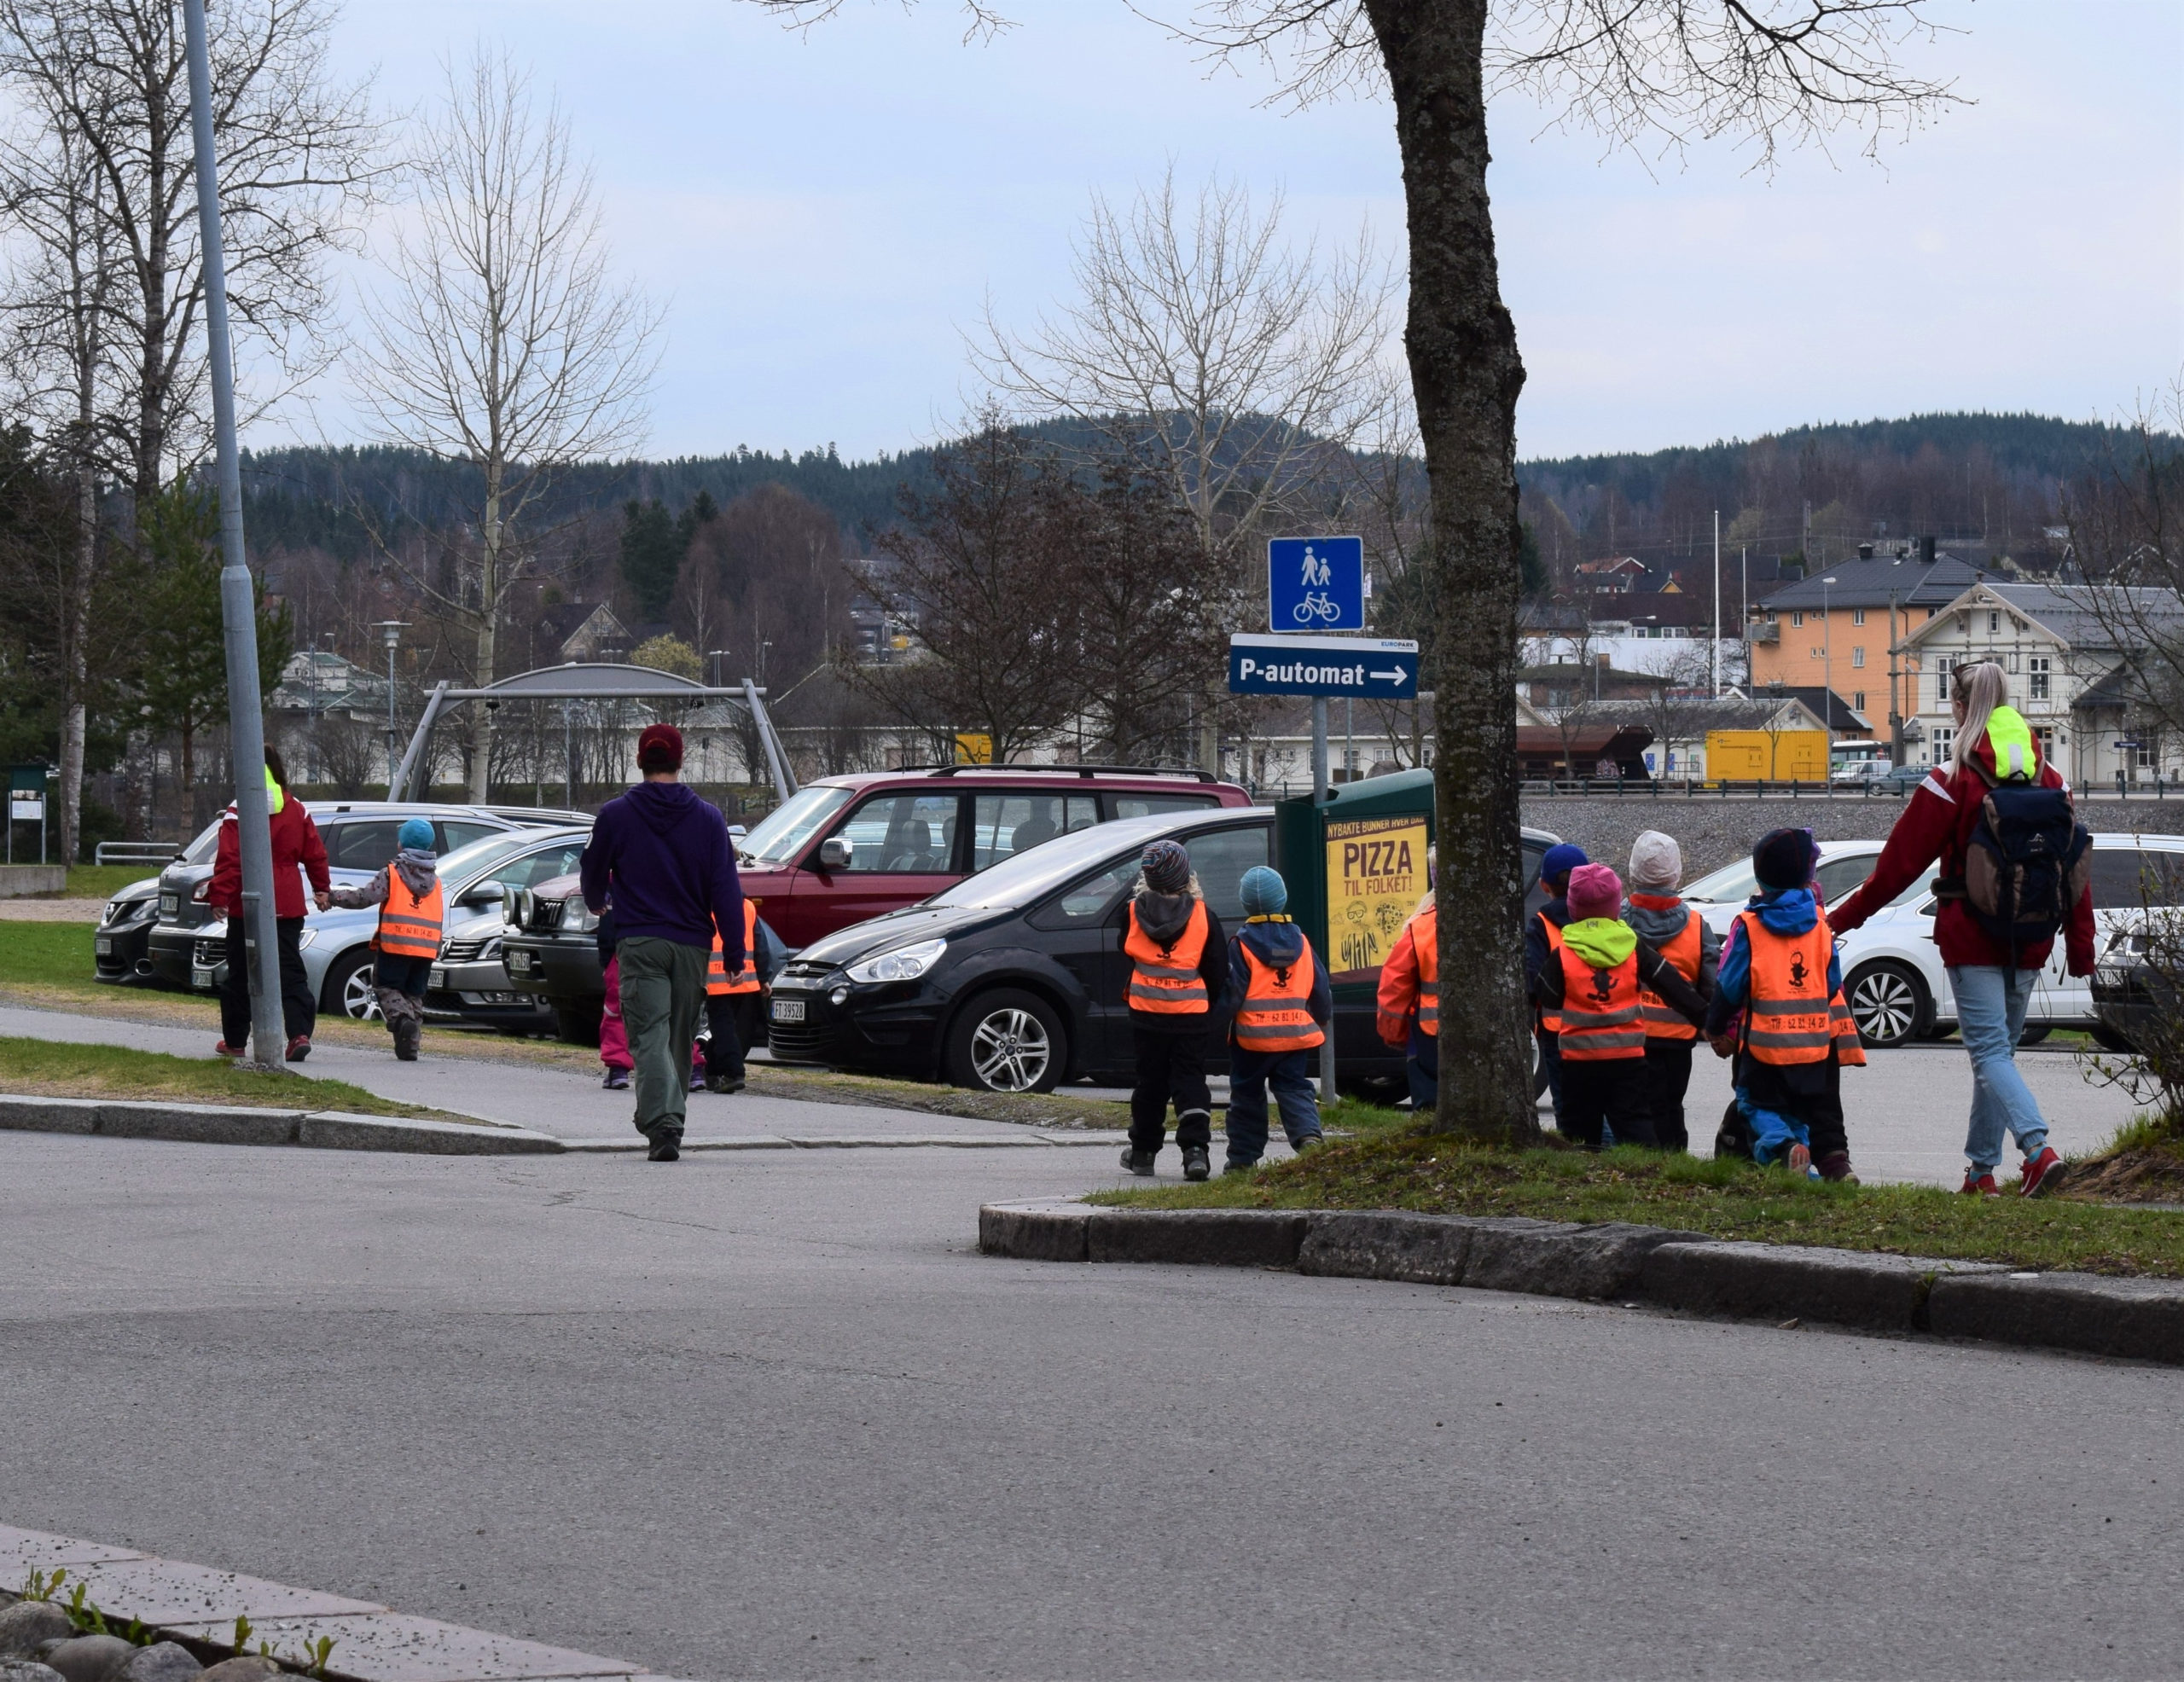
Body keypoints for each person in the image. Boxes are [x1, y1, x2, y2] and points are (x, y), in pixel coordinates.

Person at [1827, 660, 2091, 1196]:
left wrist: (1837, 920)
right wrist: (2079, 946)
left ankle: (2038, 1150)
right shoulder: (2052, 781)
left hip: (1971, 935)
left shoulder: (1952, 781)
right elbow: (2073, 867)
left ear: (1960, 707)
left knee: (1990, 1053)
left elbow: (1895, 870)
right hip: (2034, 934)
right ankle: (1980, 1173)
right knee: (1999, 1054)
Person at [578, 723, 743, 1163]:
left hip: (640, 940)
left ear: (639, 761)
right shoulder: (709, 819)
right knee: (679, 1035)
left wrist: (597, 901)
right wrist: (733, 951)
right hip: (691, 944)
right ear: (679, 760)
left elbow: (592, 865)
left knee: (648, 1032)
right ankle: (673, 1118)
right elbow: (726, 888)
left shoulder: (616, 815)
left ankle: (663, 1124)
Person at [1705, 828, 1867, 1180]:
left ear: (1759, 878)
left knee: (1754, 1104)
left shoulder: (1750, 926)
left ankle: (1782, 1148)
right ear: (1808, 877)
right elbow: (1831, 984)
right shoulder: (1821, 928)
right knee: (1812, 1110)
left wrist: (1715, 1026)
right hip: (1816, 1047)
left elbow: (1730, 987)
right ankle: (1834, 1169)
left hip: (1765, 1050)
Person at [1530, 863, 1707, 1149]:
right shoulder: (1634, 947)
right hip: (1628, 1059)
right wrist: (1706, 1020)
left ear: (1574, 908)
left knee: (1580, 1132)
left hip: (1578, 1062)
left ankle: (1585, 1180)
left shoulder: (1563, 954)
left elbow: (1547, 996)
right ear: (1615, 906)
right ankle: (1646, 1177)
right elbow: (1672, 985)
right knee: (1635, 1124)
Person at [1118, 838, 1229, 1181]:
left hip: (1147, 1013)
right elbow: (1217, 968)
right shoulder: (1203, 915)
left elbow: (1127, 952)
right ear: (1186, 875)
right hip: (1190, 1014)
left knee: (1150, 1082)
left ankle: (1143, 1153)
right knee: (1190, 1080)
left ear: (1148, 878)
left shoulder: (1134, 912)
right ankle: (1195, 1152)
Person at [209, 746, 328, 1063]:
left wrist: (219, 895)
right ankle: (298, 1034)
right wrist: (322, 889)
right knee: (289, 970)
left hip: (246, 904)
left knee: (241, 973)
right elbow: (315, 853)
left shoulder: (238, 811)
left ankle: (235, 1041)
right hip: (287, 901)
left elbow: (231, 861)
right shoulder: (296, 808)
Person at [1223, 865, 1330, 1172]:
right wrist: (1321, 1017)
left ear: (1245, 904)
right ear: (1282, 899)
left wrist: (1212, 1024)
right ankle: (1309, 1138)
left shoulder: (1241, 945)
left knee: (1246, 1096)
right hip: (1295, 1035)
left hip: (1252, 1040)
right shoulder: (1303, 943)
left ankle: (1243, 1159)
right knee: (1295, 1088)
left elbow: (1232, 994)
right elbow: (1320, 988)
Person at [1623, 830, 1719, 1151]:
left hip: (1629, 1034)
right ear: (1676, 873)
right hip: (1677, 1041)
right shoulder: (1696, 925)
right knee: (1671, 1107)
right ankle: (1674, 1159)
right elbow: (1712, 984)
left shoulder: (1617, 921)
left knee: (1635, 1110)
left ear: (1633, 871)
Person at [324, 816, 439, 1061]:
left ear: (402, 845)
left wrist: (332, 897)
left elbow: (364, 897)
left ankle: (402, 1021)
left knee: (386, 987)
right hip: (426, 947)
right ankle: (410, 1045)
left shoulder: (392, 873)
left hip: (396, 942)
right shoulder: (436, 880)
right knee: (413, 995)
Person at [1524, 843, 1589, 1124]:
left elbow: (1532, 980)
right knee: (1604, 1101)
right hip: (1604, 1025)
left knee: (1566, 1104)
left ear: (1543, 885)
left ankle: (1580, 1154)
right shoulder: (1603, 919)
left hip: (1558, 1031)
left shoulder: (1541, 924)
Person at [1376, 845, 1439, 1108]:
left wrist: (1393, 1033)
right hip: (1484, 1031)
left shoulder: (1420, 928)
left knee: (1429, 1106)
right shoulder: (1491, 921)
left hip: (1429, 1035)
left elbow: (1395, 985)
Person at [703, 897, 786, 1093]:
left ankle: (733, 1072)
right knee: (727, 1028)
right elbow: (760, 943)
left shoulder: (704, 903)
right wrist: (764, 977)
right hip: (745, 979)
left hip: (716, 979)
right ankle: (711, 1069)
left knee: (723, 1027)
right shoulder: (747, 906)